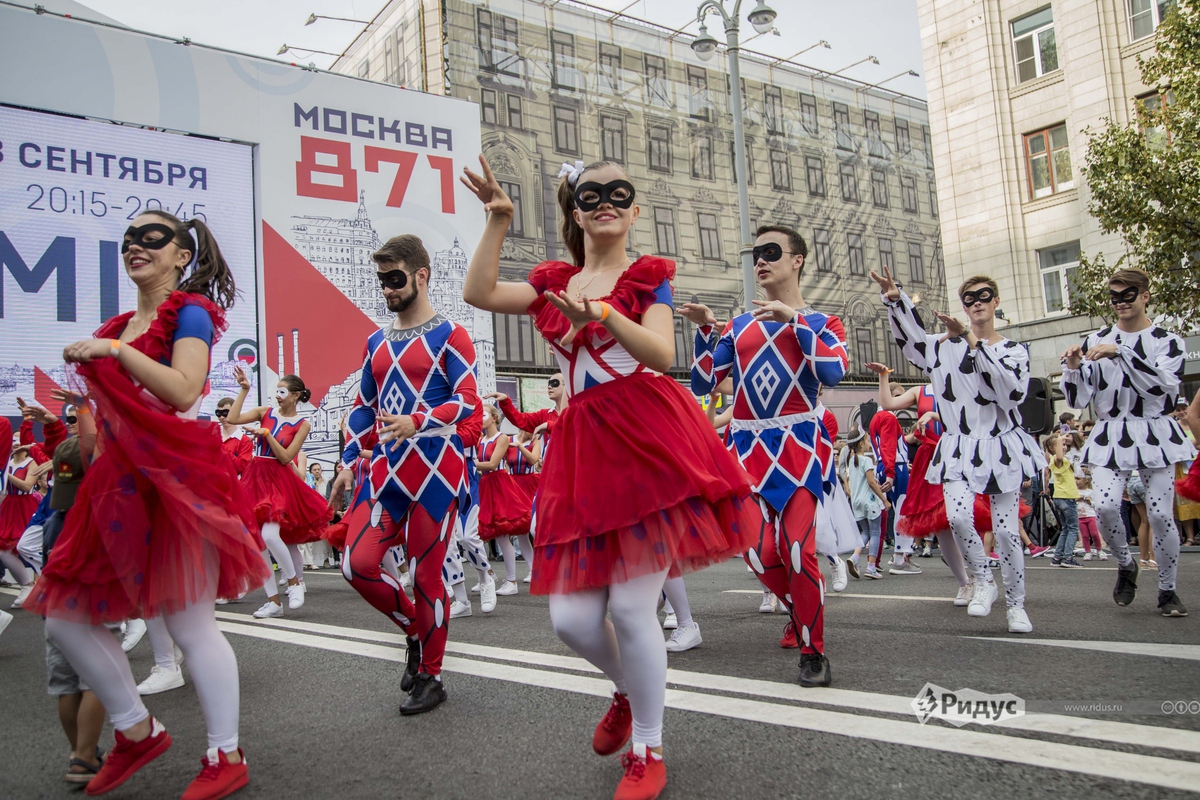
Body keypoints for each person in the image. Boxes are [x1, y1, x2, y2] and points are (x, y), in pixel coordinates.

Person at [462, 156, 757, 800]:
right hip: (582, 452)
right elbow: (479, 294)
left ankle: (648, 747)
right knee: (570, 620)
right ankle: (626, 688)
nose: (606, 202)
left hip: (647, 440)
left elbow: (661, 353)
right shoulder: (555, 280)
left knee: (630, 606)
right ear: (575, 210)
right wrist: (499, 220)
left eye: (618, 194)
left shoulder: (647, 278)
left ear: (634, 209)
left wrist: (600, 314)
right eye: (591, 194)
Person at [25, 210, 268, 799]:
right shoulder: (117, 324)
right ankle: (135, 729)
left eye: (151, 237)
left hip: (176, 483)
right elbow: (105, 421)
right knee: (65, 617)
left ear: (181, 256)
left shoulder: (189, 312)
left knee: (190, 625)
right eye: (129, 238)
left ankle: (225, 753)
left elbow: (183, 389)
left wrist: (114, 351)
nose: (135, 245)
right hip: (113, 487)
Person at [685, 224, 847, 684]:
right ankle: (803, 612)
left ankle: (813, 652)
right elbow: (701, 383)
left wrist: (795, 321)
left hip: (799, 447)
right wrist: (703, 330)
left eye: (772, 252)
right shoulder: (738, 327)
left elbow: (833, 373)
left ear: (797, 260)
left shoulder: (822, 323)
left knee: (797, 549)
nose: (761, 260)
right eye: (756, 253)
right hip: (747, 449)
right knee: (757, 553)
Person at [329, 233, 479, 716]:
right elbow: (361, 407)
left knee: (426, 575)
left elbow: (468, 401)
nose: (387, 289)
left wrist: (419, 419)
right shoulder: (375, 340)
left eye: (395, 279)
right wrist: (349, 464)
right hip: (385, 473)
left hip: (436, 473)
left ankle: (432, 677)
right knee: (357, 564)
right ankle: (415, 630)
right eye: (382, 280)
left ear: (421, 275)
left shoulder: (450, 335)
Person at [872, 267, 1044, 634]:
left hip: (1001, 445)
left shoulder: (1013, 350)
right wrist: (896, 300)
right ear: (964, 306)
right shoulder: (941, 346)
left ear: (996, 302)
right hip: (958, 445)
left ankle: (1016, 605)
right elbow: (914, 342)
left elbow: (1010, 393)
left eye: (984, 296)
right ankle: (982, 580)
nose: (977, 303)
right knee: (959, 517)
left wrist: (969, 340)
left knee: (1008, 532)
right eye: (969, 299)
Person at [1061, 267, 1194, 617]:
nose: (1120, 303)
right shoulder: (1095, 340)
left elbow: (1162, 385)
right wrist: (1073, 367)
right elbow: (1077, 400)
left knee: (1162, 514)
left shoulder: (1168, 340)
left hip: (1155, 430)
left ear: (1145, 296)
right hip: (1111, 432)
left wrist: (1121, 354)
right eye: (1114, 297)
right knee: (1104, 506)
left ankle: (1167, 590)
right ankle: (1125, 563)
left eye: (1127, 296)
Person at [863, 363, 972, 604]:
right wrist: (883, 376)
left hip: (960, 453)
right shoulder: (920, 390)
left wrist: (934, 415)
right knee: (941, 523)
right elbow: (889, 403)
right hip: (932, 458)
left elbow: (971, 418)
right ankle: (964, 582)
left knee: (963, 518)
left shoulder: (962, 385)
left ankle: (979, 575)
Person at [227, 368, 331, 618]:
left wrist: (266, 435)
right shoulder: (265, 412)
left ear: (296, 395)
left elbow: (285, 457)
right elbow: (232, 419)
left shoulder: (302, 424)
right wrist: (244, 389)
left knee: (271, 535)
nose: (278, 396)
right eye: (277, 391)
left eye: (283, 392)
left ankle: (295, 583)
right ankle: (273, 601)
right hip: (255, 477)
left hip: (278, 479)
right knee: (257, 541)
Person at [475, 405, 535, 595]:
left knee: (504, 533)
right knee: (480, 534)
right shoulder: (480, 439)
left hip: (500, 484)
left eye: (483, 415)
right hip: (485, 484)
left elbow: (493, 464)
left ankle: (511, 581)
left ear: (494, 418)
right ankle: (488, 575)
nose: (480, 418)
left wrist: (469, 462)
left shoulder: (501, 438)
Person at [867, 383, 916, 574]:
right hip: (894, 467)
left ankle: (896, 556)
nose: (901, 401)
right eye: (897, 396)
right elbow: (888, 447)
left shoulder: (878, 417)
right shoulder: (888, 417)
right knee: (904, 510)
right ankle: (900, 557)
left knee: (893, 511)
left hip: (888, 465)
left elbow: (888, 445)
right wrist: (892, 472)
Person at [846, 429, 889, 578]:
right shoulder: (866, 460)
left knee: (865, 532)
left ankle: (855, 557)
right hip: (869, 501)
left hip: (856, 501)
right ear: (862, 443)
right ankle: (871, 567)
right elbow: (871, 482)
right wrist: (884, 499)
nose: (870, 444)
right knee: (875, 532)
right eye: (868, 440)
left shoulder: (851, 461)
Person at [1046, 433, 1083, 568]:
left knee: (1066, 528)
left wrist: (1061, 439)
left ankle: (1058, 557)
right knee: (1073, 528)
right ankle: (1068, 557)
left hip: (1060, 497)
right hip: (1066, 497)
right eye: (1062, 445)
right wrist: (1060, 438)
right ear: (1053, 448)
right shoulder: (1057, 459)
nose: (1065, 446)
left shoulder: (1059, 459)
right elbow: (1060, 455)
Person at [214, 397, 252, 476]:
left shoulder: (244, 440)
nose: (222, 417)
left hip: (233, 484)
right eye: (218, 413)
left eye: (225, 413)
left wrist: (222, 447)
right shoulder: (213, 437)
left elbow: (241, 467)